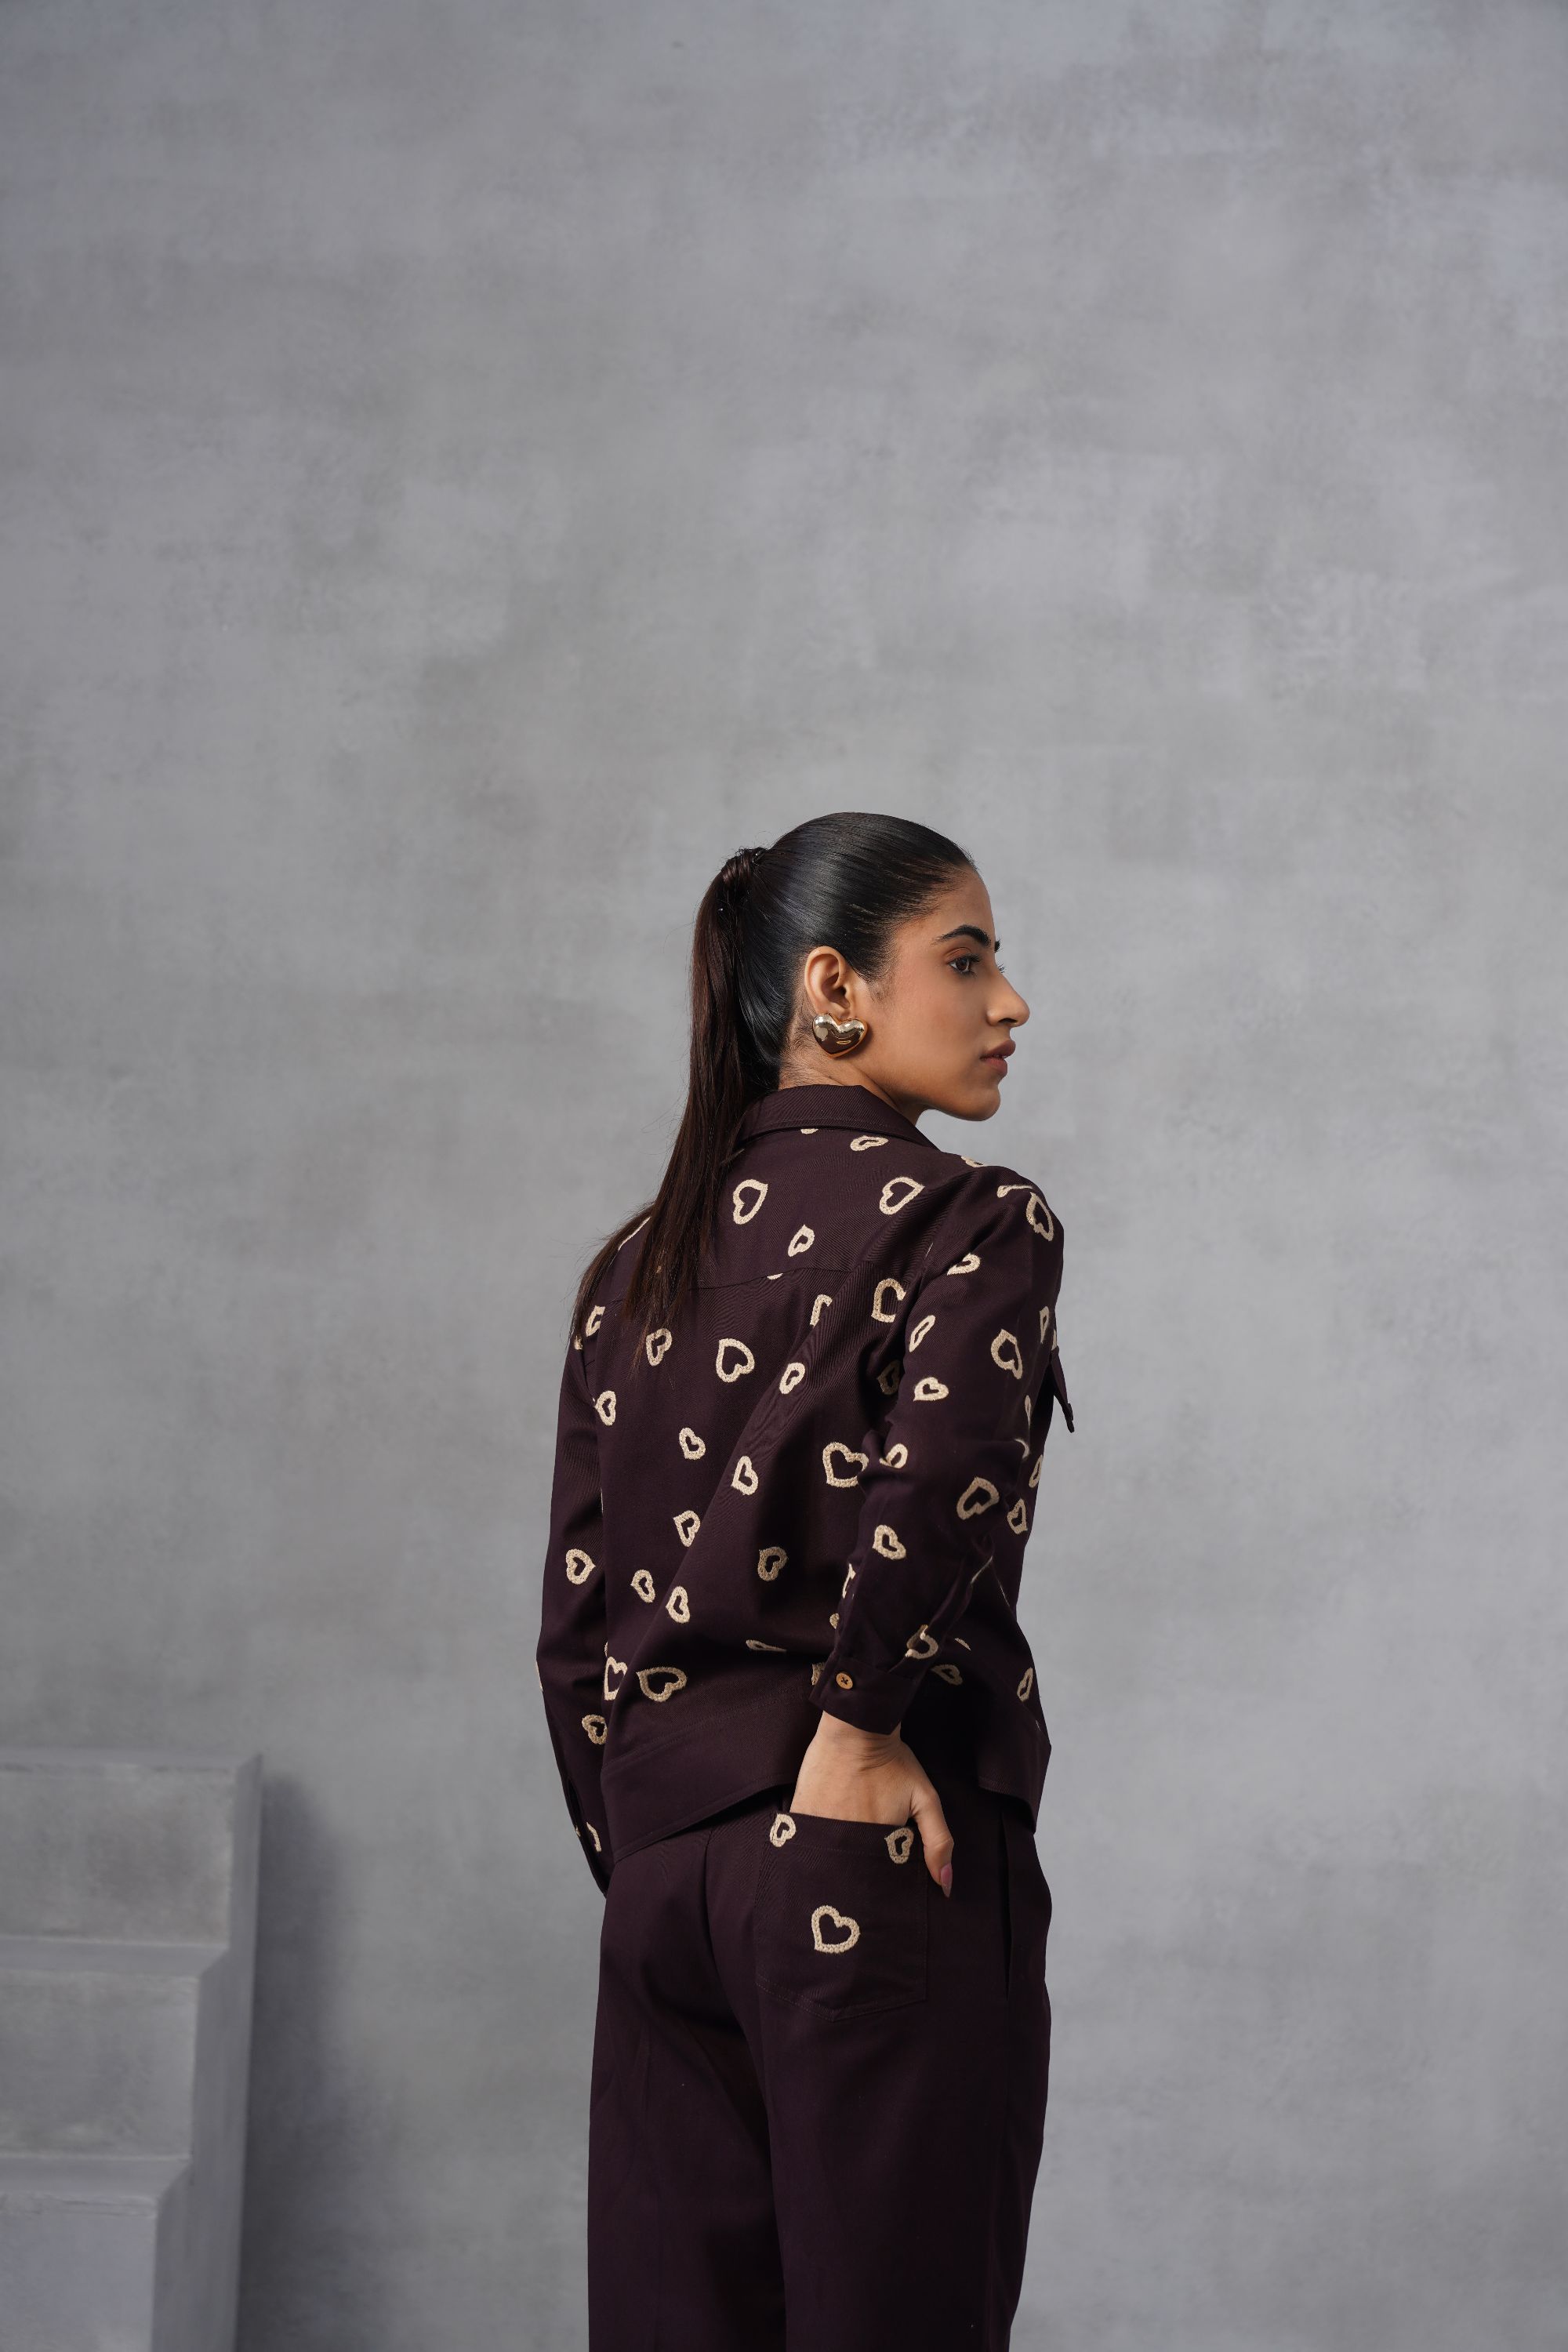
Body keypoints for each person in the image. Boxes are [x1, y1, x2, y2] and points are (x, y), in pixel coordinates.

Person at [536, 810, 1076, 2350]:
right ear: (835, 988)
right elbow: (943, 1484)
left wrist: (664, 1849)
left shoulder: (633, 1267)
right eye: (964, 960)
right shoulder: (974, 1224)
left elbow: (576, 1629)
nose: (1009, 1002)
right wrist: (853, 1734)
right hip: (869, 1848)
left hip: (665, 1886)